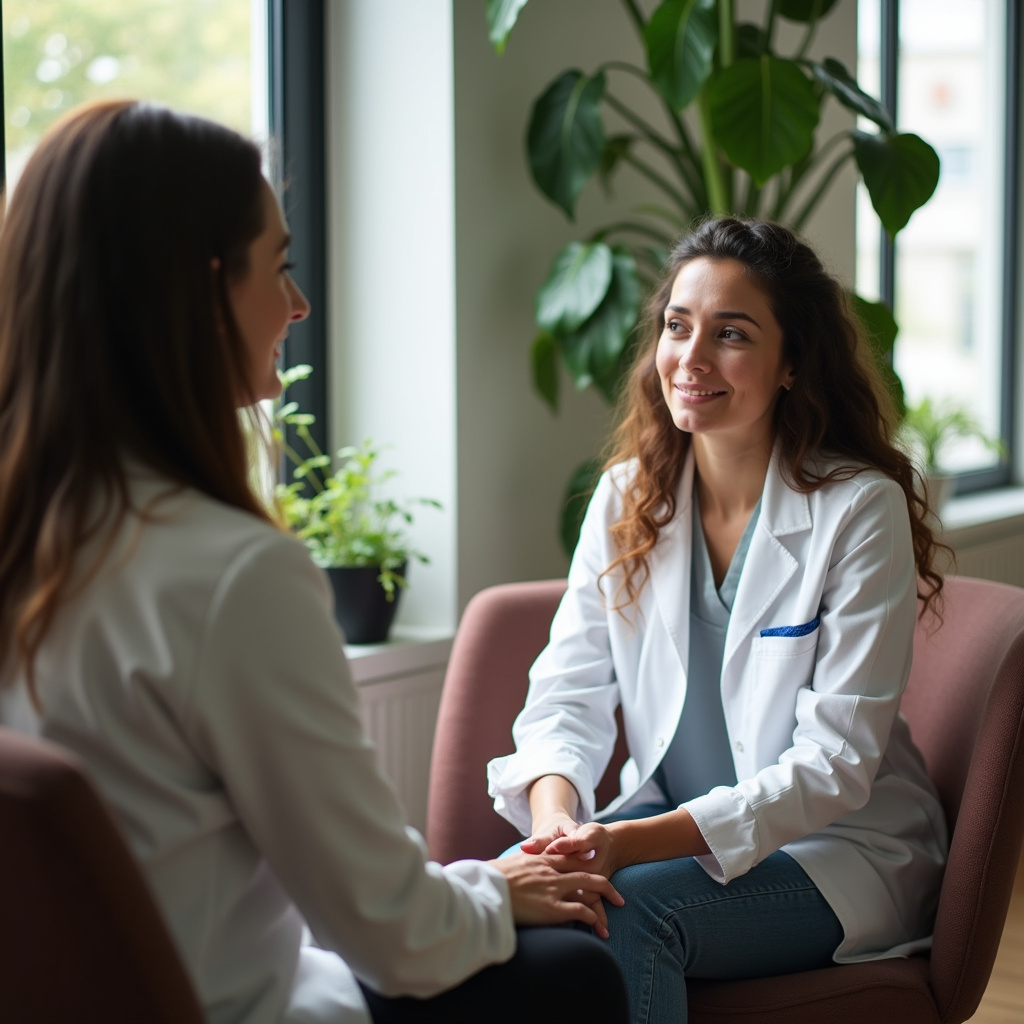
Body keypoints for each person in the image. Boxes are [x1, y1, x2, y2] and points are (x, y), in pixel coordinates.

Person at [0, 100, 630, 1024]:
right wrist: (492, 896)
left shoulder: (38, 537)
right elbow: (395, 937)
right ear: (203, 291)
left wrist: (468, 883)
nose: (297, 305)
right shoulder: (229, 575)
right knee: (574, 971)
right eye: (280, 265)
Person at [487, 218, 950, 1024]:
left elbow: (835, 764)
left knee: (638, 915)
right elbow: (566, 695)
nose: (691, 359)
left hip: (831, 851)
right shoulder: (630, 495)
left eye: (731, 334)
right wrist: (557, 825)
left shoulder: (855, 510)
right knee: (507, 902)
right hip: (669, 826)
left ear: (791, 364)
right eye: (677, 326)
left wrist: (625, 845)